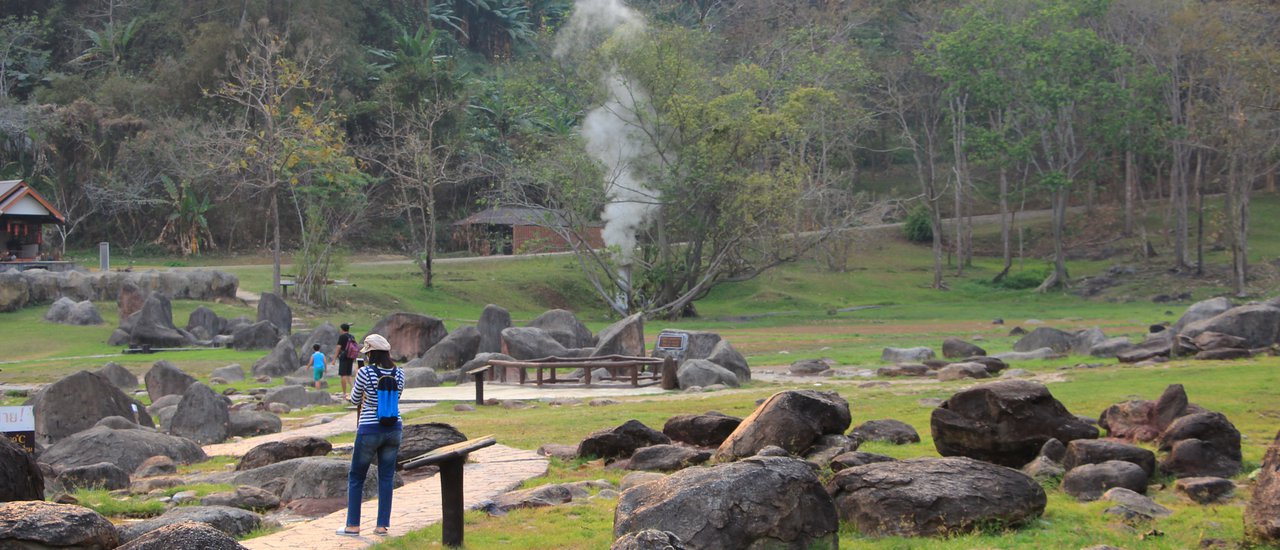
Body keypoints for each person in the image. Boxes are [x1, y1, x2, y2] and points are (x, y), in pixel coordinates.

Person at [338, 333, 404, 537]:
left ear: (370, 353)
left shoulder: (365, 373)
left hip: (369, 429)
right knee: (386, 477)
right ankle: (382, 526)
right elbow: (397, 397)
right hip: (394, 429)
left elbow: (355, 399)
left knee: (357, 476)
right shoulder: (400, 373)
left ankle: (353, 525)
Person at [335, 323, 356, 398]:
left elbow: (338, 347)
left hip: (344, 356)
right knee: (348, 374)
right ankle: (354, 390)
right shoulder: (351, 336)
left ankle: (344, 393)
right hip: (350, 356)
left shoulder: (342, 337)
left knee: (343, 375)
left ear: (342, 329)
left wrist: (334, 358)